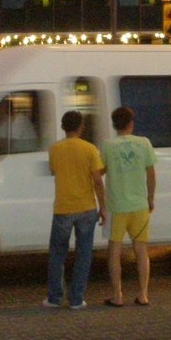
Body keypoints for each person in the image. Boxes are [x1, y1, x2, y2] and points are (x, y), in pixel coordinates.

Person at [43, 110, 106, 310]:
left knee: (57, 254)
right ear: (81, 127)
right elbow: (97, 180)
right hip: (86, 208)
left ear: (63, 127)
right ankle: (77, 299)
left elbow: (54, 170)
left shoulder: (54, 149)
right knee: (84, 254)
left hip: (63, 208)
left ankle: (54, 298)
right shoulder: (90, 149)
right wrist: (102, 207)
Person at [100, 106, 157, 307]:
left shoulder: (107, 146)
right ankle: (143, 294)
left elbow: (100, 171)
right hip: (140, 205)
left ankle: (117, 296)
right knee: (141, 250)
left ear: (114, 125)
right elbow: (150, 173)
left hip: (116, 207)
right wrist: (150, 198)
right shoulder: (144, 143)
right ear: (131, 123)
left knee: (114, 251)